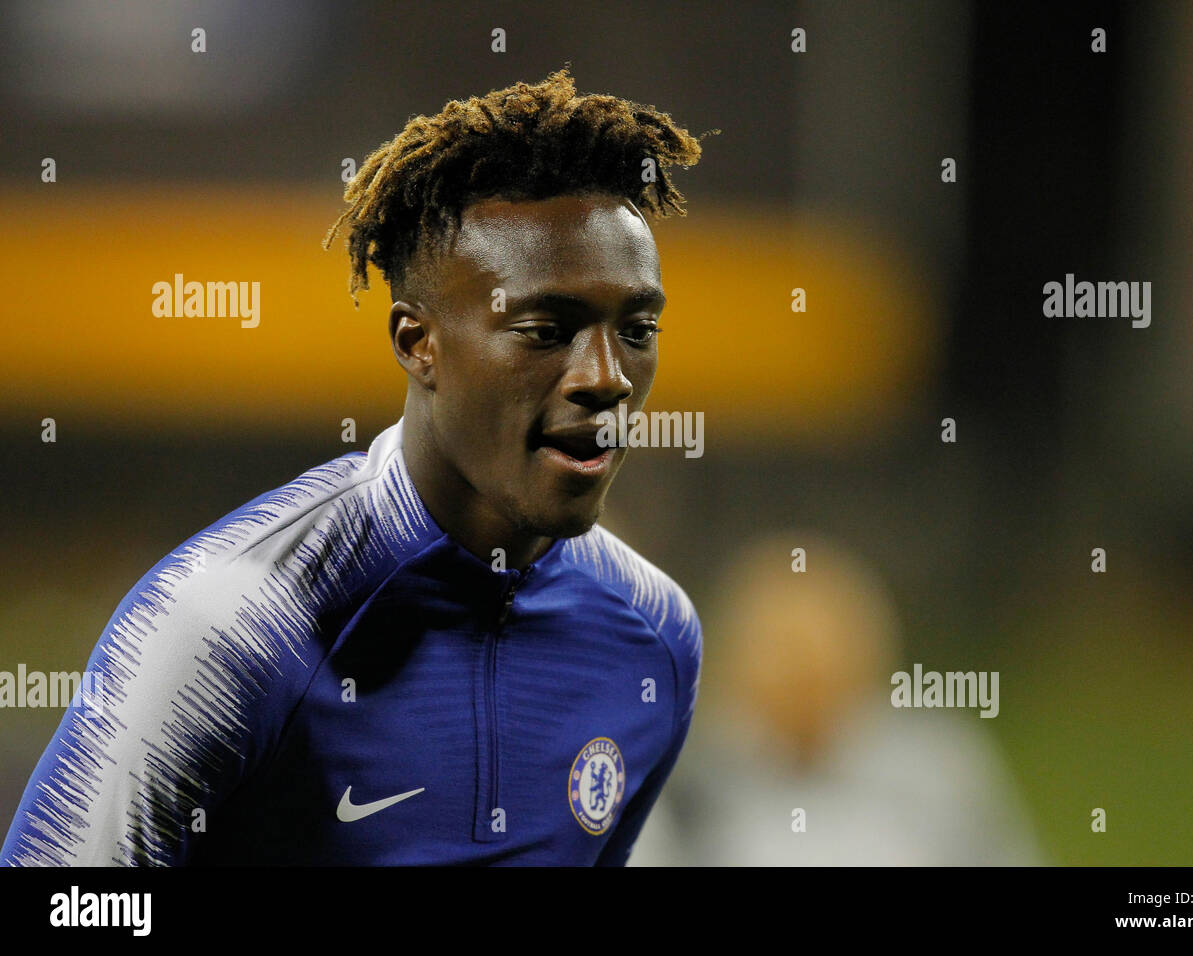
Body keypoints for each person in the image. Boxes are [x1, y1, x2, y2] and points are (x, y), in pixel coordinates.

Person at [1, 69, 705, 866]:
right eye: (547, 330)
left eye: (638, 328)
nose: (605, 376)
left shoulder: (655, 639)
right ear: (417, 343)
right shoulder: (233, 620)